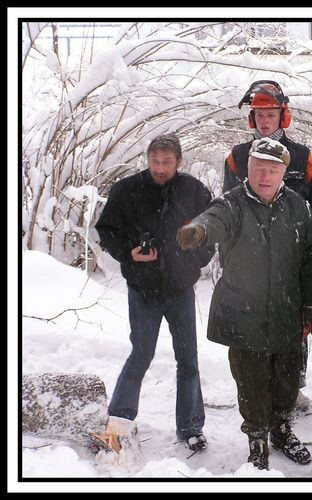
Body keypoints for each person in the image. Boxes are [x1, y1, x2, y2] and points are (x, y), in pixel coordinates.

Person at [177, 137, 312, 471]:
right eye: (259, 168)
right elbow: (213, 220)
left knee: (286, 380)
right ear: (249, 170)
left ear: (284, 173)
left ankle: (282, 430)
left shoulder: (299, 207)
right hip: (245, 314)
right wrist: (198, 232)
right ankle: (257, 438)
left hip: (288, 311)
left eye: (273, 170)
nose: (265, 176)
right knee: (251, 380)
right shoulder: (233, 203)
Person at [94, 133, 215, 453]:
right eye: (155, 161)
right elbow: (105, 229)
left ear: (179, 161)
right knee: (141, 355)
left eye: (167, 162)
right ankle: (118, 422)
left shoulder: (194, 191)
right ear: (147, 159)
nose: (160, 168)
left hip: (179, 290)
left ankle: (191, 427)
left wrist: (193, 260)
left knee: (188, 358)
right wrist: (128, 253)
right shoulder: (127, 190)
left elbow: (213, 232)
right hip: (143, 289)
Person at [223, 80, 312, 410]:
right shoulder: (237, 158)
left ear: (283, 116)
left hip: (294, 259)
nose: (264, 120)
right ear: (251, 119)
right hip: (251, 262)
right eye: (259, 114)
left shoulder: (302, 157)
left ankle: (289, 391)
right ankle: (258, 392)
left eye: (271, 114)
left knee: (296, 330)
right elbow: (226, 213)